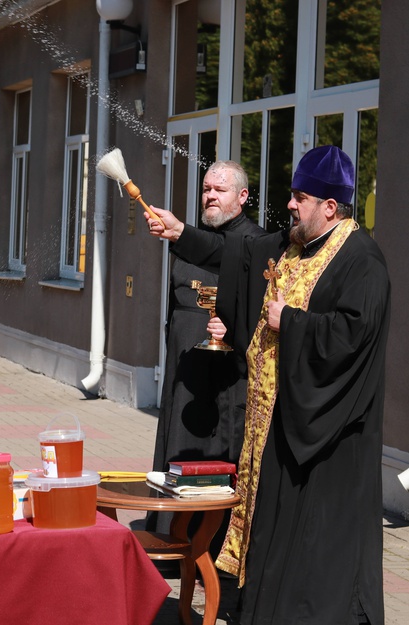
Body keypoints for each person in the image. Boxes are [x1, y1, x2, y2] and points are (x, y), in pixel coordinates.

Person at [145, 145, 390, 624]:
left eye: (300, 197)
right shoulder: (294, 243)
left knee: (315, 555)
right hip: (272, 430)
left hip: (324, 439)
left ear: (330, 207)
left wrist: (292, 321)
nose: (291, 206)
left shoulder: (362, 262)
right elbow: (233, 253)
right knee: (272, 546)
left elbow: (353, 337)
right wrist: (180, 234)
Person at [149, 161, 264, 549]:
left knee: (215, 457)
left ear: (243, 197)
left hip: (223, 383)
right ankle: (168, 536)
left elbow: (227, 258)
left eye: (220, 190)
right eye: (206, 189)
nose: (210, 196)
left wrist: (181, 232)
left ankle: (209, 545)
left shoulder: (254, 242)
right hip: (183, 370)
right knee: (175, 447)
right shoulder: (189, 241)